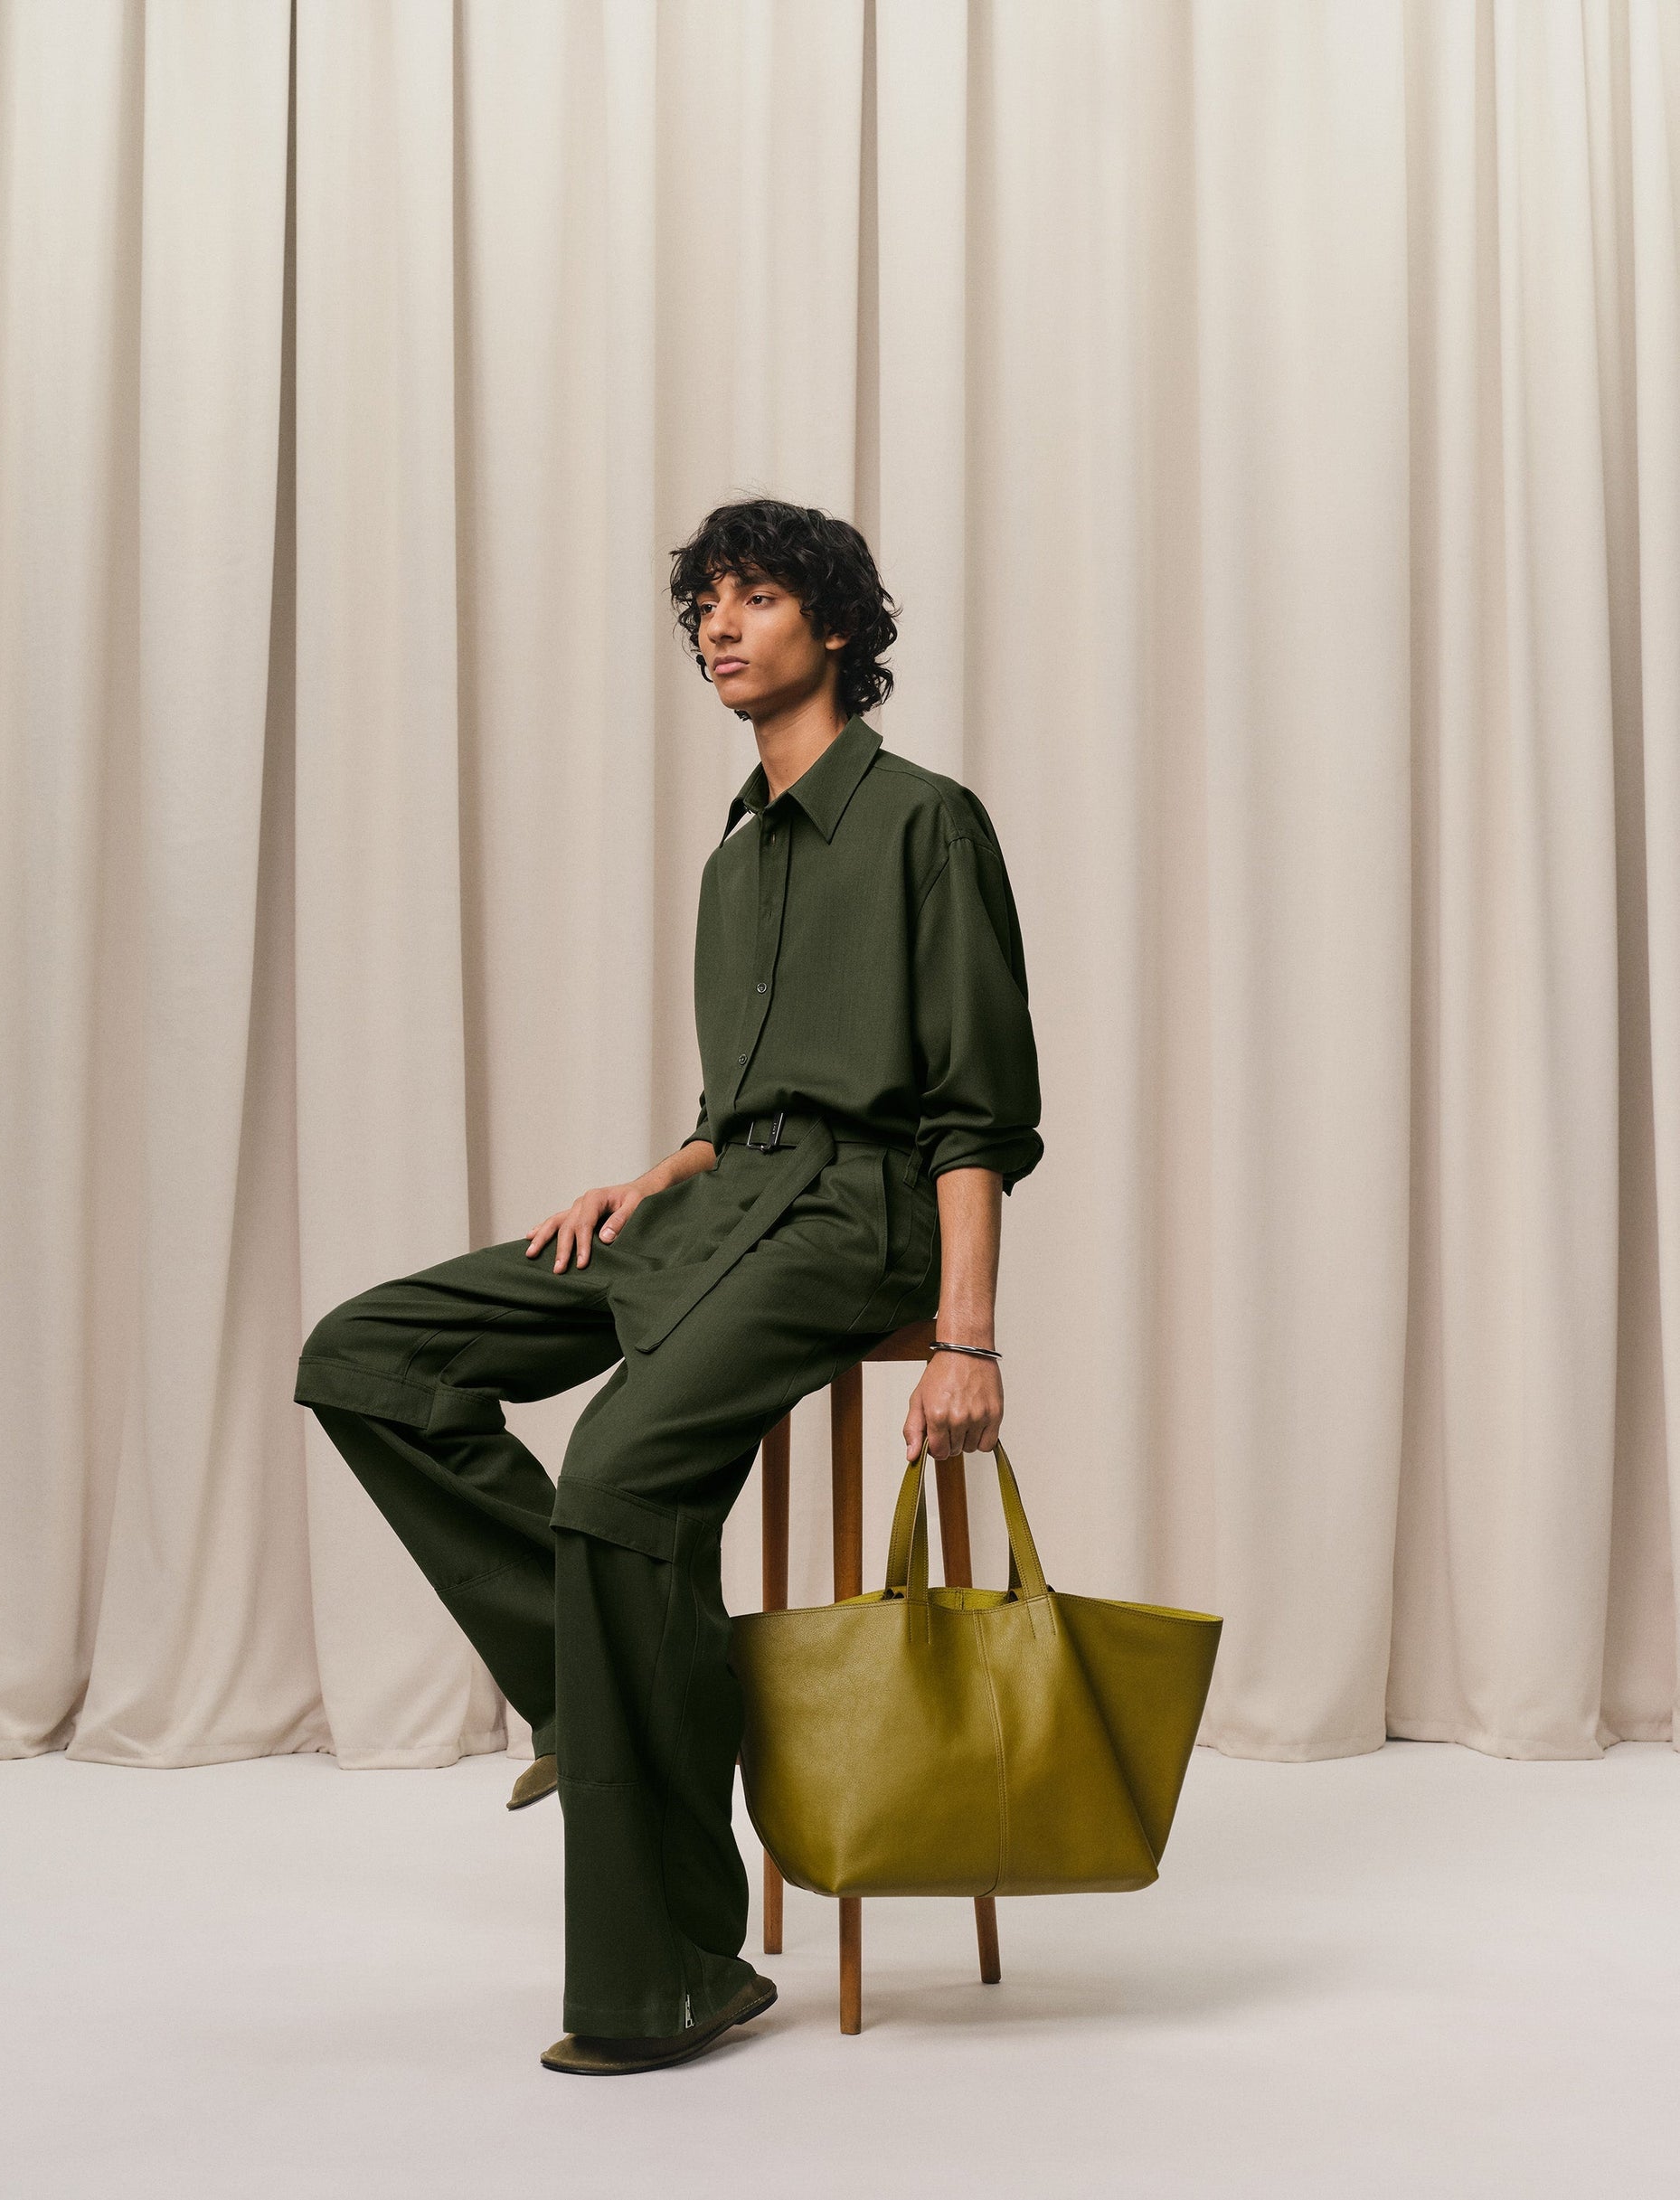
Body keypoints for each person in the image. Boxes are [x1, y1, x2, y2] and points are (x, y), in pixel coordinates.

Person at [293, 496, 1043, 2074]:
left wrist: (967, 1338)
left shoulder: (926, 821)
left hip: (854, 1220)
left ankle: (675, 1969)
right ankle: (589, 1685)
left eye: (754, 596)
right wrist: (653, 1178)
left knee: (618, 1475)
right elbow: (739, 1105)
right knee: (367, 1352)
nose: (718, 625)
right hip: (723, 1201)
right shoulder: (734, 856)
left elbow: (974, 1110)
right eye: (705, 601)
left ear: (833, 626)